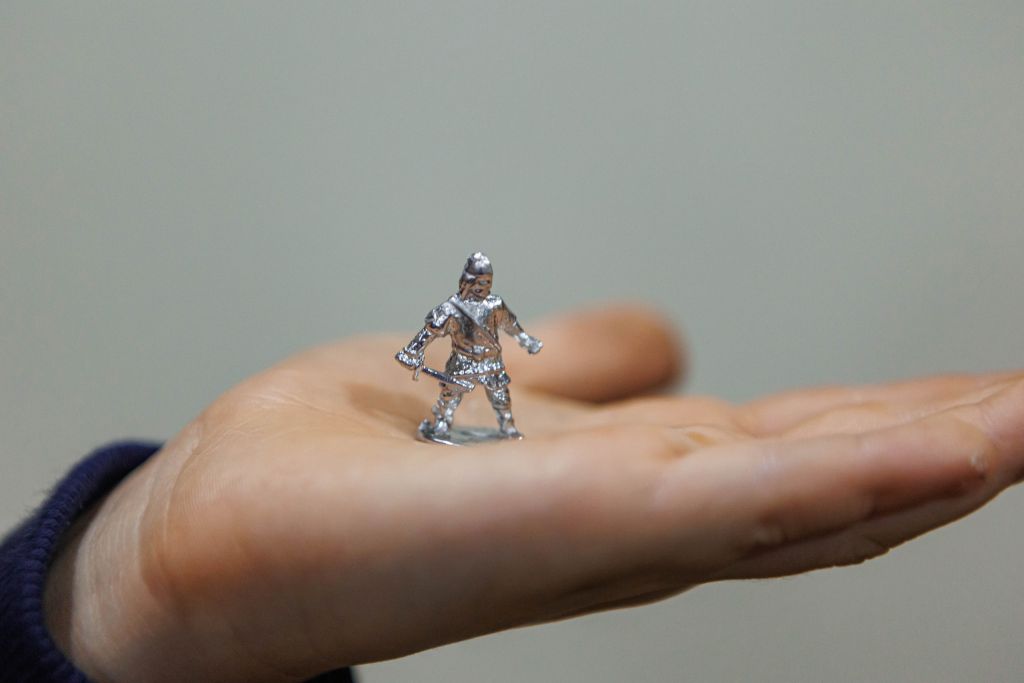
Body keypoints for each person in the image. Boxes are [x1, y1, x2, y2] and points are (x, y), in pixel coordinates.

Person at [2, 303, 1023, 683]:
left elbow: (510, 338)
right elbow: (433, 341)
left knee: (485, 397)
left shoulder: (487, 312)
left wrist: (131, 609)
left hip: (484, 386)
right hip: (458, 387)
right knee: (469, 398)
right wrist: (129, 583)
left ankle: (471, 420)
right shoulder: (463, 312)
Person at [395, 252, 543, 442]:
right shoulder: (451, 308)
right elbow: (430, 331)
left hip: (490, 360)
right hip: (463, 360)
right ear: (468, 281)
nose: (484, 286)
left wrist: (526, 339)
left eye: (488, 281)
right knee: (450, 395)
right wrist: (412, 351)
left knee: (500, 396)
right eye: (480, 282)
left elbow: (510, 325)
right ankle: (442, 422)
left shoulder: (495, 305)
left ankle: (508, 426)